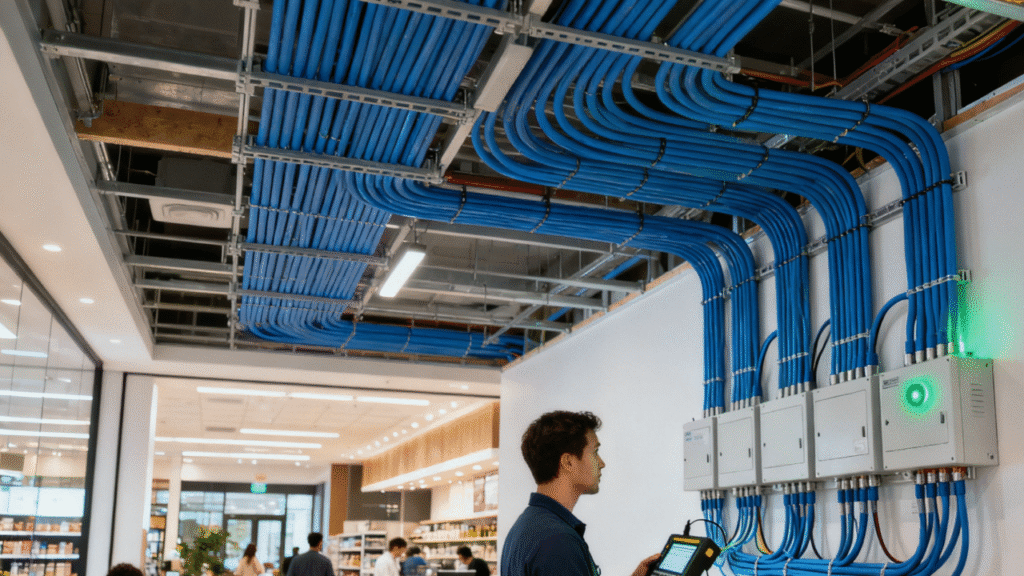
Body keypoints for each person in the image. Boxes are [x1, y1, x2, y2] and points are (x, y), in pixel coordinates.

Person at [501, 411, 660, 576]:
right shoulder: (558, 540)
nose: (602, 463)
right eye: (595, 452)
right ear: (568, 462)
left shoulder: (525, 527)